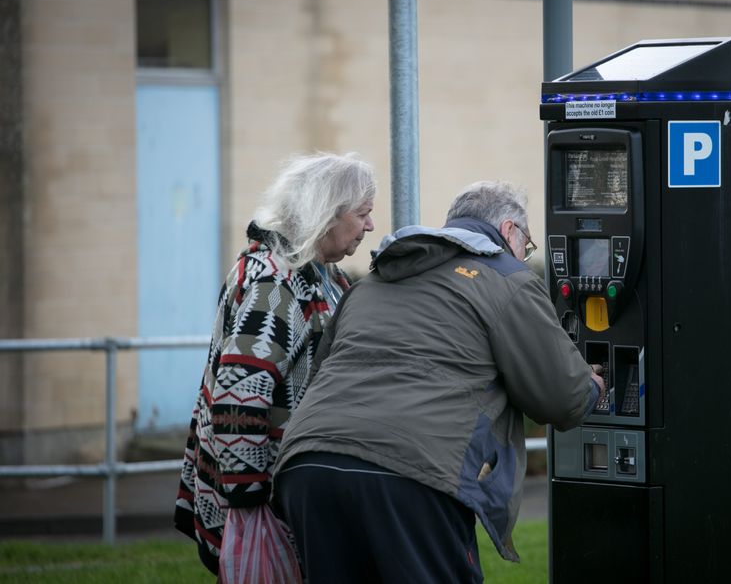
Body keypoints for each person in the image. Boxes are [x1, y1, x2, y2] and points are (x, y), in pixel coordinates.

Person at [273, 180, 605, 583]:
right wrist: (593, 385)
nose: (523, 256)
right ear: (509, 232)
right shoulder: (507, 279)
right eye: (527, 245)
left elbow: (323, 373)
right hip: (409, 473)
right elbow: (561, 397)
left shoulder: (372, 283)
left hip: (308, 466)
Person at [174, 151, 376, 576]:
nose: (370, 226)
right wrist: (249, 506)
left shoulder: (323, 274)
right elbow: (238, 395)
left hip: (289, 488)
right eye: (362, 214)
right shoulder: (275, 281)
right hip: (265, 499)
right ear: (327, 213)